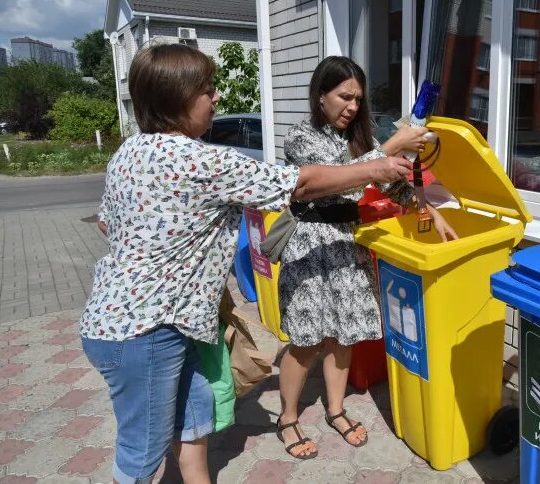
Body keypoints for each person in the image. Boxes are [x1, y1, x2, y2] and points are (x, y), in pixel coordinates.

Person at [79, 44, 413, 484]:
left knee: (194, 428)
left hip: (146, 320)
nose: (216, 99)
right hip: (145, 329)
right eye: (208, 90)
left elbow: (107, 223)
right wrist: (382, 163)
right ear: (176, 97)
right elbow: (305, 182)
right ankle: (287, 418)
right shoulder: (200, 160)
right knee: (141, 457)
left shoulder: (128, 152)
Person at [275, 56, 458, 459]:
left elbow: (388, 182)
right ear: (321, 95)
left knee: (344, 336)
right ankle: (287, 417)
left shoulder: (360, 140)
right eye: (344, 96)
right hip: (310, 244)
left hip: (346, 243)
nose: (352, 107)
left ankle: (336, 410)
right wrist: (388, 149)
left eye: (358, 99)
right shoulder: (300, 136)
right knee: (307, 340)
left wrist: (428, 209)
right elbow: (320, 182)